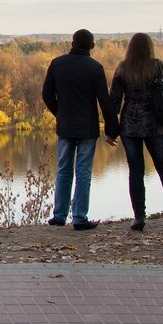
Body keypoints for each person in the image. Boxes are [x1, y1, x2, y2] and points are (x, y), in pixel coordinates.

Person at [108, 32, 163, 231]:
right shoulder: (158, 66)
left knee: (135, 172)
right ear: (150, 47)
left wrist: (111, 130)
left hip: (130, 125)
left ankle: (139, 218)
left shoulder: (122, 68)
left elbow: (114, 101)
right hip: (154, 125)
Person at [41, 28, 119, 230]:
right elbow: (104, 100)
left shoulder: (57, 64)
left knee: (63, 170)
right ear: (92, 46)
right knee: (83, 172)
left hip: (65, 126)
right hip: (87, 127)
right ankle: (79, 218)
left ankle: (59, 216)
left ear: (72, 43)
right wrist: (112, 128)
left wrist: (59, 113)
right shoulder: (95, 68)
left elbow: (47, 94)